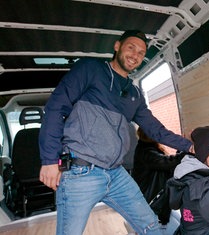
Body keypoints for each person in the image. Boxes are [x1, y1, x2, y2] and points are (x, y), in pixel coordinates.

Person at [38, 30, 193, 235]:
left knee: (152, 227)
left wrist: (190, 146)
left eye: (141, 52)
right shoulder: (90, 69)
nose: (135, 55)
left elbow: (156, 130)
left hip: (116, 174)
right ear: (117, 46)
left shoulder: (135, 93)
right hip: (81, 172)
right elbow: (56, 108)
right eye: (131, 47)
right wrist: (49, 160)